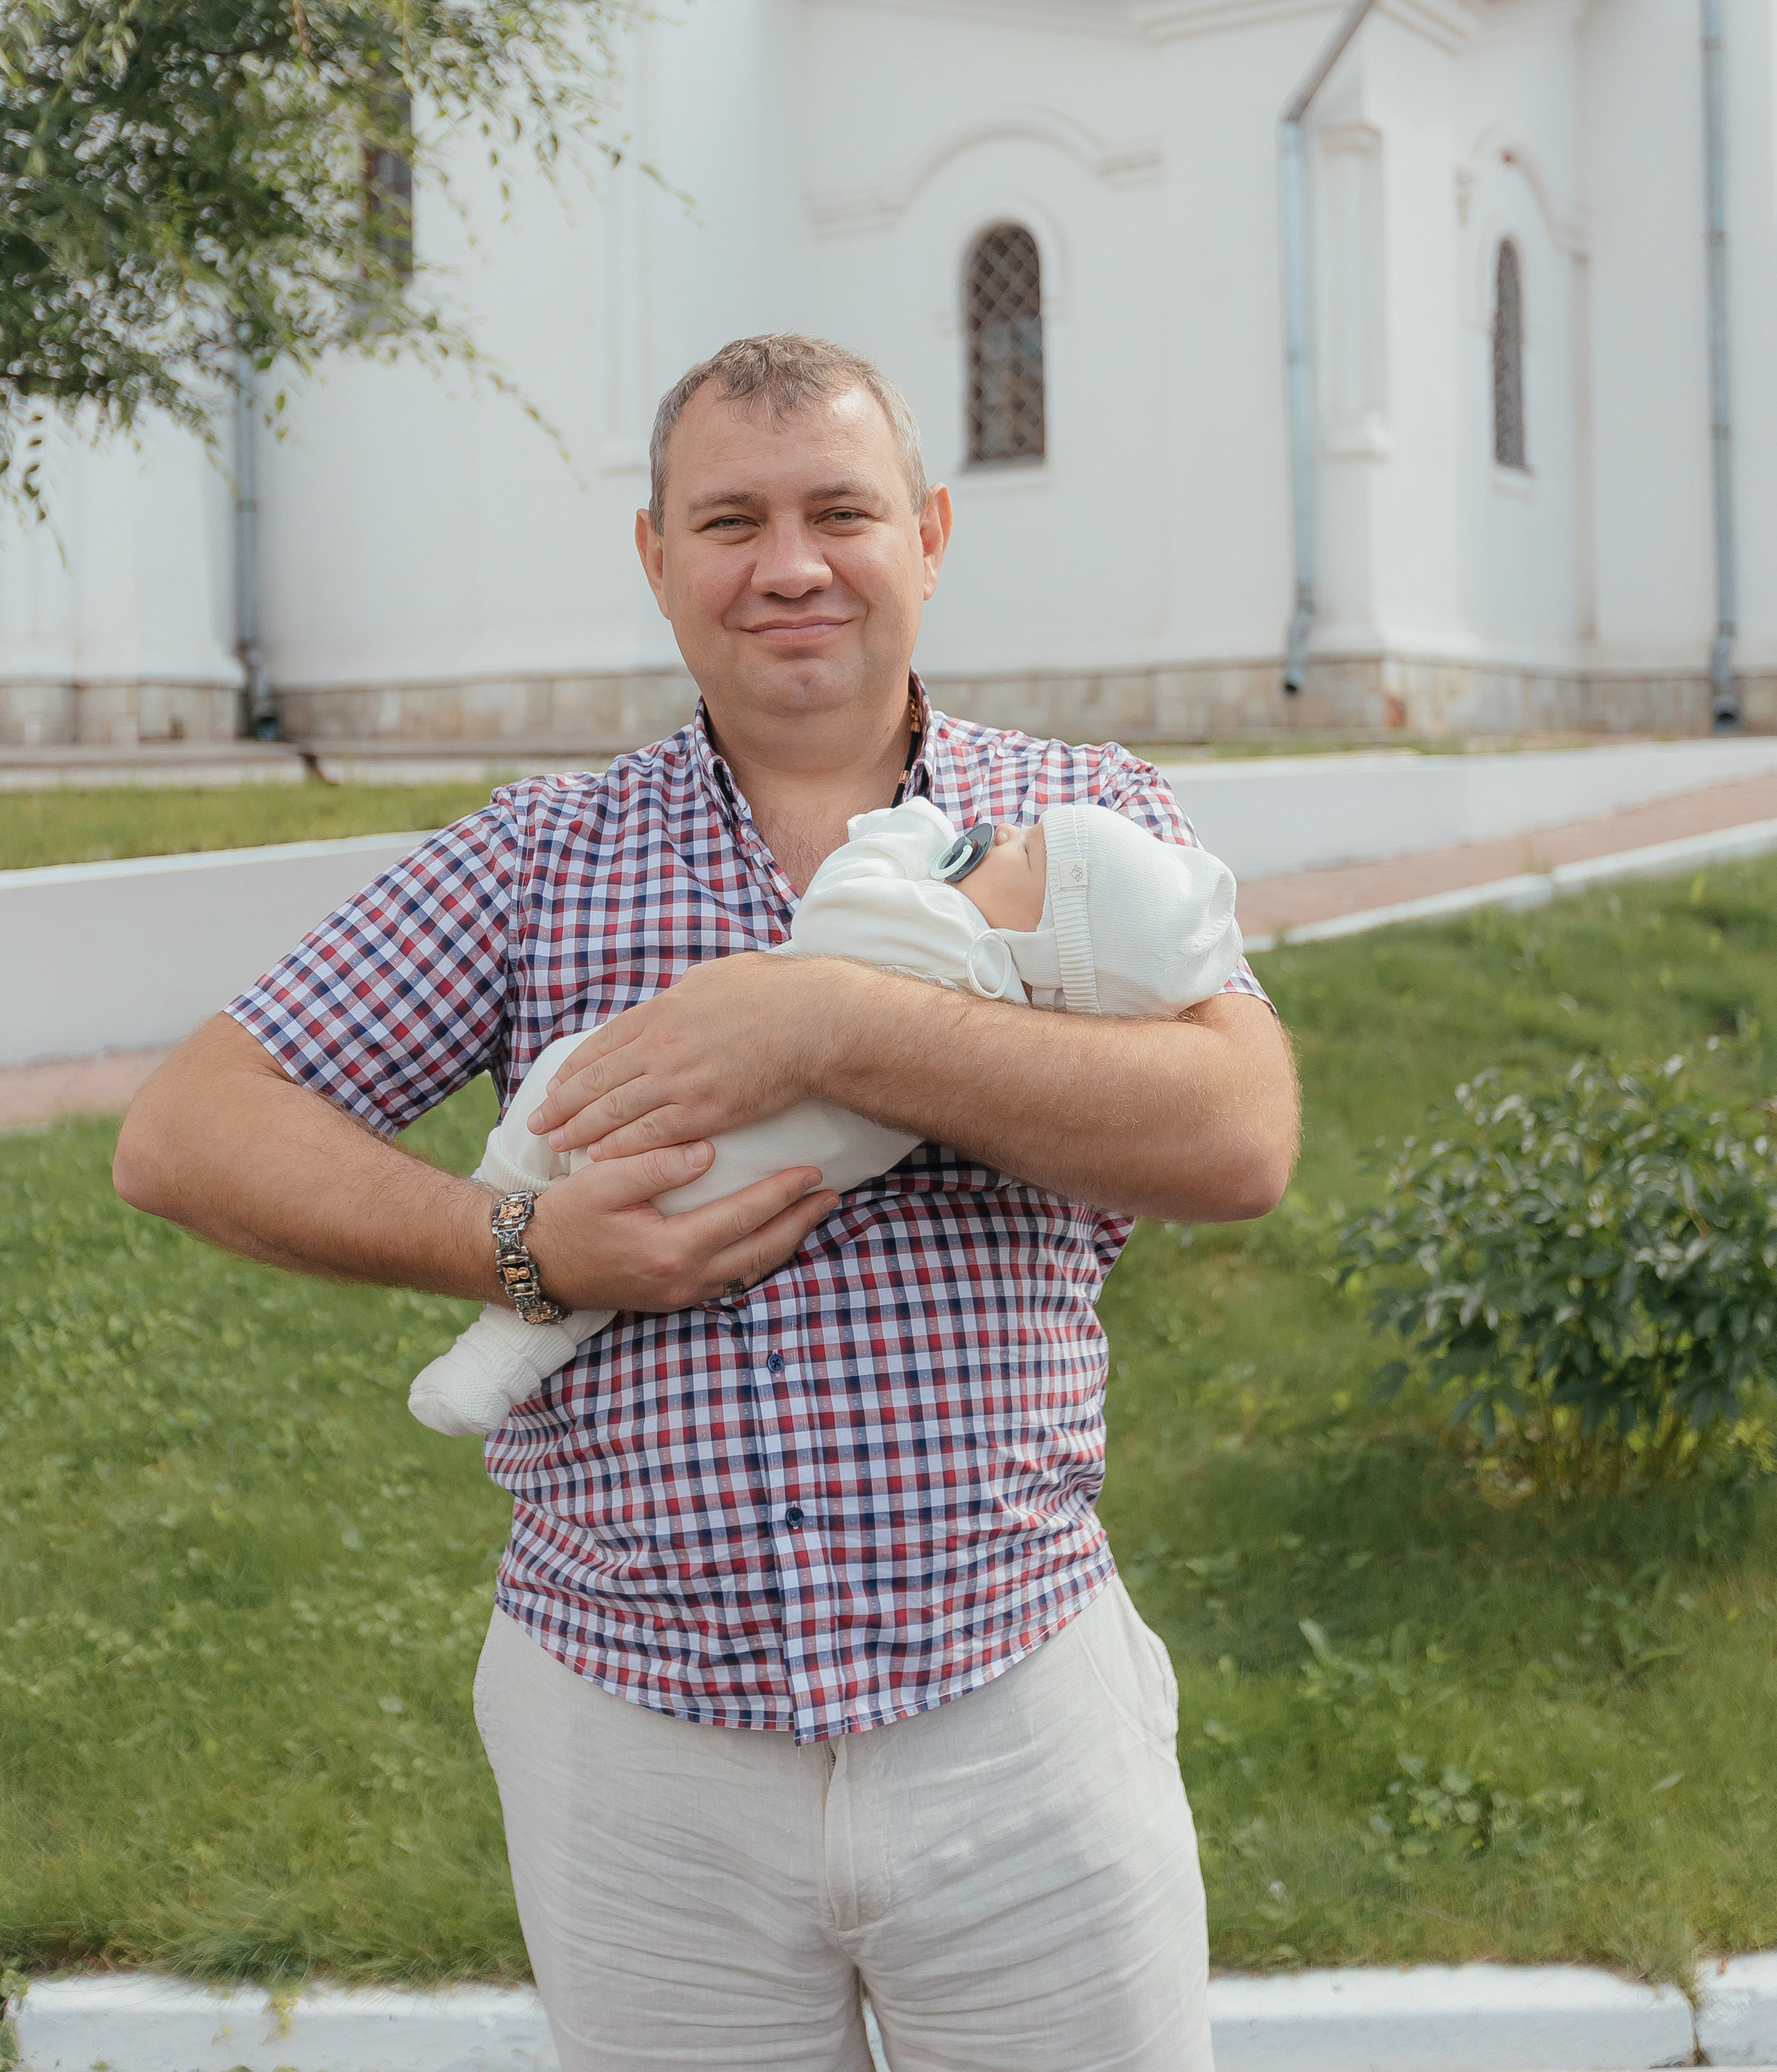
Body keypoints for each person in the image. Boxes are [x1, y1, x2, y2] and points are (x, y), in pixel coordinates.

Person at [115, 333, 1298, 2072]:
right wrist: (518, 1247)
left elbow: (1236, 1131)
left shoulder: (1082, 818)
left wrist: (835, 1019)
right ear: (657, 556)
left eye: (841, 509)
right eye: (730, 519)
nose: (792, 564)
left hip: (1016, 1708)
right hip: (632, 1743)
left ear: (931, 534)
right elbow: (185, 1127)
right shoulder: (535, 857)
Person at [407, 793, 1247, 1435]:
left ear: (1034, 946)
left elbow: (837, 908)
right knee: (605, 1259)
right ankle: (500, 1341)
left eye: (1023, 857)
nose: (1002, 832)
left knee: (565, 1085)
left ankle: (504, 1197)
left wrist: (906, 833)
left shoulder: (949, 936)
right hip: (744, 1187)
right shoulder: (1026, 1012)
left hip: (685, 1140)